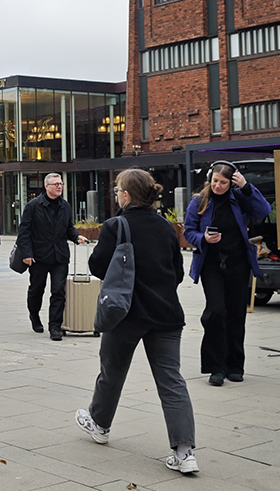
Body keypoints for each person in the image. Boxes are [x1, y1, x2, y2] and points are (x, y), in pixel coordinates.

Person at [75, 168, 197, 474]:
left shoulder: (115, 226)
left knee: (112, 372)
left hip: (125, 314)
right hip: (166, 314)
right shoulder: (167, 227)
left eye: (118, 190)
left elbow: (99, 266)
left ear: (126, 195)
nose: (116, 194)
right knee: (172, 382)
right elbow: (177, 272)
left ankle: (100, 424)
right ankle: (184, 452)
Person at [183, 160, 269, 386]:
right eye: (215, 181)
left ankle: (235, 366)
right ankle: (216, 367)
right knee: (216, 311)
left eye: (223, 182)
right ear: (209, 179)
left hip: (238, 264)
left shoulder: (239, 199)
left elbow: (264, 210)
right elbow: (188, 231)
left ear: (231, 183)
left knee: (236, 314)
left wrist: (247, 187)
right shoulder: (199, 201)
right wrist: (203, 239)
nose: (218, 186)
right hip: (211, 265)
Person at [15, 173, 88, 341]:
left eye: (60, 183)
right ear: (46, 187)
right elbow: (24, 232)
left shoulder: (66, 206)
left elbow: (68, 228)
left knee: (58, 292)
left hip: (60, 257)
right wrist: (26, 254)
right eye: (55, 184)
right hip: (38, 257)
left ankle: (55, 326)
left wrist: (77, 236)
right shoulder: (33, 206)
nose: (59, 186)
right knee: (36, 290)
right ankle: (34, 315)